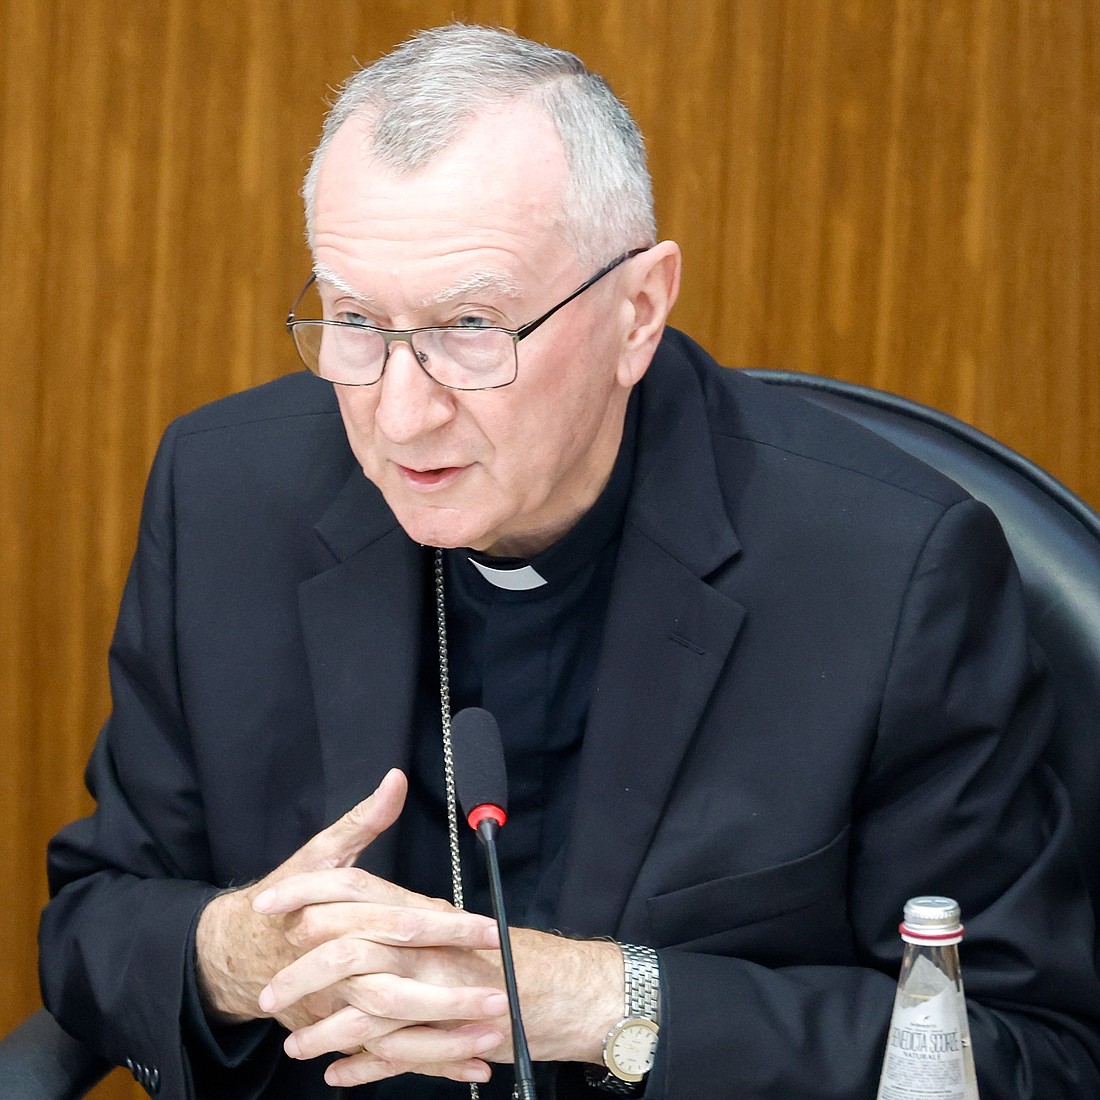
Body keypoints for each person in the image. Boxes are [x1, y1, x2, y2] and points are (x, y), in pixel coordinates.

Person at [38, 23, 1100, 1100]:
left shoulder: (885, 573)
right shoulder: (226, 495)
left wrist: (603, 998)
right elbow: (94, 921)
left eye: (467, 325)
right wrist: (243, 949)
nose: (400, 416)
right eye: (354, 321)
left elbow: (1021, 1054)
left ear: (636, 310)